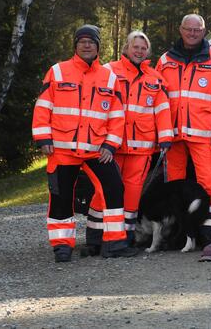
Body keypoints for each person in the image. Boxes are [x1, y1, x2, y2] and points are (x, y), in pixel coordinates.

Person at [32, 25, 136, 261]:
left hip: (97, 150)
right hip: (62, 148)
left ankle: (114, 243)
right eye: (82, 41)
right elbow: (42, 107)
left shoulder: (109, 77)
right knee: (61, 196)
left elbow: (117, 115)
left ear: (98, 46)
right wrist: (42, 138)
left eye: (91, 41)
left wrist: (110, 145)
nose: (86, 45)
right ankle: (62, 246)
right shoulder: (57, 71)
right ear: (75, 45)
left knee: (114, 188)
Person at [85, 31, 174, 249]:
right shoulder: (108, 71)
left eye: (143, 49)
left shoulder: (155, 79)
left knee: (133, 193)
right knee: (104, 190)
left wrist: (165, 137)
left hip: (141, 148)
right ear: (126, 48)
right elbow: (95, 104)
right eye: (136, 47)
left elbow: (162, 110)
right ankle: (95, 237)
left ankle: (123, 238)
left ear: (148, 52)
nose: (139, 51)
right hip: (110, 146)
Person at [156, 14, 211, 244]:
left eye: (197, 30)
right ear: (180, 30)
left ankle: (208, 232)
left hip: (203, 132)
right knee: (175, 185)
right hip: (173, 134)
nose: (192, 33)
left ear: (204, 31)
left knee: (209, 182)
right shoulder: (165, 60)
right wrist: (161, 132)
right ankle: (180, 232)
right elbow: (157, 98)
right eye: (188, 29)